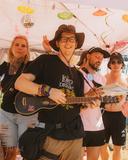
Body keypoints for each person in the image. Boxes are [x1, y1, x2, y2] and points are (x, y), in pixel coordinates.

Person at [15, 24, 102, 160]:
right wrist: (48, 90)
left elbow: (77, 106)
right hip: (51, 135)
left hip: (75, 136)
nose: (68, 42)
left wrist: (89, 103)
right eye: (64, 39)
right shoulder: (46, 61)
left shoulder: (78, 74)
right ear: (57, 43)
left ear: (76, 44)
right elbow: (19, 83)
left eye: (71, 39)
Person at [0, 35, 38, 160]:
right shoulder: (4, 66)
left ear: (27, 50)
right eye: (17, 44)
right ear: (11, 47)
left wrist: (48, 51)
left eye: (23, 45)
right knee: (9, 152)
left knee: (28, 152)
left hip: (26, 114)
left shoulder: (32, 65)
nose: (20, 48)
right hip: (6, 113)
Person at [78, 47, 110, 160]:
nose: (99, 60)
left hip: (96, 125)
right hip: (78, 125)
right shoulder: (77, 74)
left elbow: (102, 100)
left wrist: (101, 101)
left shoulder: (102, 79)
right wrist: (87, 97)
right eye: (97, 56)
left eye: (101, 58)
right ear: (87, 56)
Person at [101, 52, 128, 160]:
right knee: (102, 146)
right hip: (104, 115)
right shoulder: (103, 78)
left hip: (119, 117)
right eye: (113, 62)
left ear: (122, 64)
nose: (116, 64)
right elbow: (98, 97)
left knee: (117, 148)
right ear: (109, 64)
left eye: (119, 62)